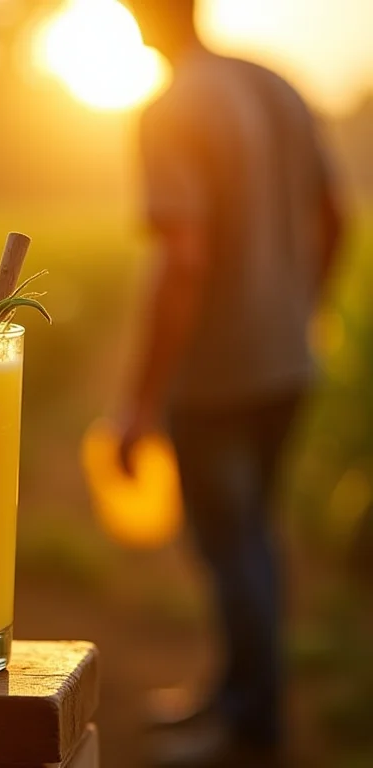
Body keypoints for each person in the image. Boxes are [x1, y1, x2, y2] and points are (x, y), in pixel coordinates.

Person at [114, 0, 346, 765]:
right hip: (288, 363)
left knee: (230, 545)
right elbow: (337, 214)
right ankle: (237, 689)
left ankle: (252, 720)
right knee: (254, 537)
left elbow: (183, 263)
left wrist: (139, 403)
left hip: (217, 376)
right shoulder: (275, 84)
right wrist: (300, 308)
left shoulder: (172, 107)